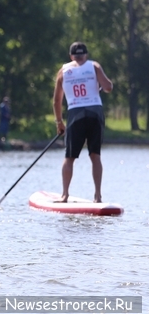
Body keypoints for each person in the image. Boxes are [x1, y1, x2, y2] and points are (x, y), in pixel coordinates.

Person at [53, 41, 113, 203]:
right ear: (85, 55)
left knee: (69, 157)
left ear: (71, 56)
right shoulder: (94, 66)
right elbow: (107, 87)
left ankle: (65, 195)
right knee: (95, 155)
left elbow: (57, 101)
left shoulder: (63, 71)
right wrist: (107, 84)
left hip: (75, 113)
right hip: (95, 113)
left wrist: (59, 122)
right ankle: (98, 196)